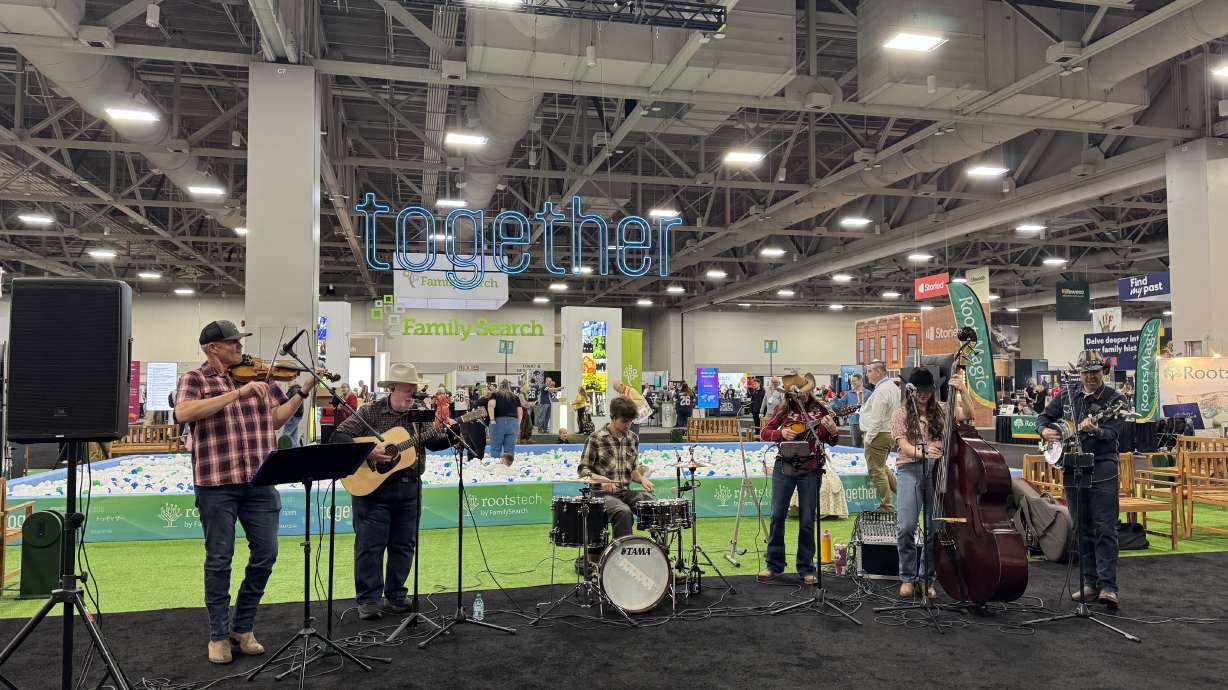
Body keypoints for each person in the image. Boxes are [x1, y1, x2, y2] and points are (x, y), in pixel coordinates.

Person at [173, 320, 313, 664]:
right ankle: (218, 635)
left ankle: (243, 627)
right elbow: (184, 412)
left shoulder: (261, 377)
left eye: (239, 343)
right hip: (216, 484)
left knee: (266, 553)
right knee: (219, 560)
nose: (240, 347)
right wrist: (238, 392)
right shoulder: (196, 379)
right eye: (232, 343)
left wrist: (302, 391)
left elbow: (277, 419)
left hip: (260, 482)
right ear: (213, 348)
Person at [331, 363, 455, 620]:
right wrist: (368, 451)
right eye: (407, 390)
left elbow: (432, 443)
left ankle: (396, 596)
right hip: (373, 492)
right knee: (370, 546)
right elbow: (339, 437)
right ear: (393, 388)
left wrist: (452, 433)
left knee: (404, 545)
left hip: (410, 489)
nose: (411, 395)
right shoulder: (370, 411)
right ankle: (369, 601)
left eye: (413, 390)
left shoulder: (418, 416)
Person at [1037, 350, 1128, 608]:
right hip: (1073, 466)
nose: (1090, 377)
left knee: (1105, 528)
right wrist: (1043, 430)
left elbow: (1112, 434)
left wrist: (1096, 430)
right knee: (1082, 527)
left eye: (1095, 372)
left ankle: (1108, 586)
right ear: (1079, 372)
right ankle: (1089, 583)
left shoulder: (1115, 399)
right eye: (1086, 372)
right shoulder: (1068, 394)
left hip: (1102, 467)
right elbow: (1043, 417)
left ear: (1104, 371)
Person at [891, 369, 974, 599]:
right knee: (906, 526)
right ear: (912, 390)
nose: (924, 395)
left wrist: (963, 391)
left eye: (928, 391)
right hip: (910, 469)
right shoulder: (900, 414)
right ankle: (907, 577)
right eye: (919, 391)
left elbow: (969, 413)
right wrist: (924, 452)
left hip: (938, 472)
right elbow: (904, 446)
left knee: (934, 529)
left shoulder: (944, 409)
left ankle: (926, 578)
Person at [758, 372, 838, 584]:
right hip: (784, 466)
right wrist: (781, 434)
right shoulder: (782, 410)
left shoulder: (821, 411)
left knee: (806, 520)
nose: (800, 397)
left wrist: (833, 431)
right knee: (777, 515)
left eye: (803, 392)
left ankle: (806, 567)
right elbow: (764, 432)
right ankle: (773, 565)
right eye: (796, 394)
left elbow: (832, 440)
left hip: (811, 468)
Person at [578, 396, 656, 564]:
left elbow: (632, 471)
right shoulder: (595, 438)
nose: (628, 426)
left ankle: (661, 559)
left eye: (631, 422)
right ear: (612, 417)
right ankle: (620, 562)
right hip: (600, 494)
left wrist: (642, 479)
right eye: (624, 422)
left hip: (625, 491)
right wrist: (601, 479)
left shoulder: (633, 438)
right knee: (623, 512)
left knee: (653, 507)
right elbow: (583, 470)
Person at [859, 361, 900, 511]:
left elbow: (876, 418)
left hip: (878, 434)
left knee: (876, 470)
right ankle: (903, 496)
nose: (867, 374)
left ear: (879, 372)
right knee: (883, 468)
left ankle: (887, 505)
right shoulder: (892, 387)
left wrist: (869, 439)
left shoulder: (882, 391)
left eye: (869, 371)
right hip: (888, 432)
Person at [487, 379, 522, 466]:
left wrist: (492, 419)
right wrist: (518, 423)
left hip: (498, 423)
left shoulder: (495, 395)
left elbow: (491, 405)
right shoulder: (515, 397)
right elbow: (520, 411)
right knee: (510, 449)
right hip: (513, 423)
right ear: (509, 387)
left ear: (499, 386)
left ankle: (495, 468)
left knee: (496, 448)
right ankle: (507, 467)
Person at [839, 374, 868, 447]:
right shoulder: (848, 393)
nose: (853, 383)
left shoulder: (868, 393)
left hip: (866, 422)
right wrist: (834, 399)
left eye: (855, 381)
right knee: (856, 445)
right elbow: (840, 403)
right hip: (854, 422)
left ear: (860, 381)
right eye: (852, 381)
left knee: (867, 445)